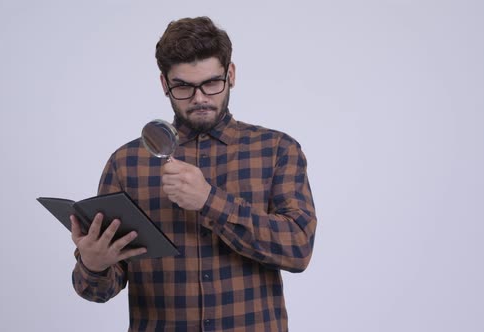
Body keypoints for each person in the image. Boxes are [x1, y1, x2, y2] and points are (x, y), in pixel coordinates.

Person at [70, 16, 317, 331]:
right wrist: (93, 264)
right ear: (165, 85)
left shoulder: (277, 150)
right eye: (184, 87)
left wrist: (209, 200)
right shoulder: (127, 162)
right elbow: (96, 290)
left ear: (231, 75)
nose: (200, 98)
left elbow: (298, 249)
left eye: (211, 83)